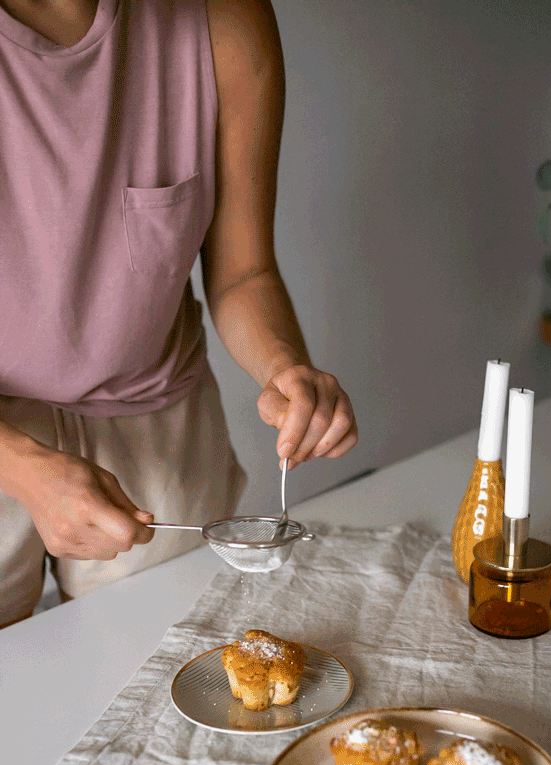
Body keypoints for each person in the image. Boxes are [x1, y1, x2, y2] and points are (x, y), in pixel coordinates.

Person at [0, 0, 358, 627]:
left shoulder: (226, 19)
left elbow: (243, 271)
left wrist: (285, 367)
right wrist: (21, 467)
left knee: (159, 673)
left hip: (161, 423)